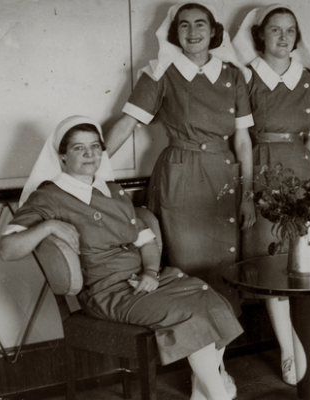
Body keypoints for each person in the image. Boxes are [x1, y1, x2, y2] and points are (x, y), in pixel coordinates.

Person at [0, 116, 243, 400]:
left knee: (213, 299)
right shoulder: (50, 196)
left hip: (143, 281)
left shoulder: (113, 191)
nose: (90, 154)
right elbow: (7, 249)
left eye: (95, 147)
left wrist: (151, 272)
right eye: (79, 148)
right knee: (190, 312)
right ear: (62, 156)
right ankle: (217, 395)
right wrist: (48, 226)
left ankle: (203, 391)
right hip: (107, 292)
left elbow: (146, 240)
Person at [104, 2, 256, 318]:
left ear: (214, 31)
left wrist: (249, 195)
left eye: (200, 24)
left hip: (224, 176)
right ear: (175, 34)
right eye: (184, 25)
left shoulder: (234, 75)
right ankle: (197, 357)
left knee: (225, 263)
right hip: (180, 174)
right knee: (187, 265)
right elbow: (128, 123)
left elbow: (242, 139)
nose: (192, 31)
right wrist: (95, 167)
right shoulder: (161, 72)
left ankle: (218, 359)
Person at [231, 3, 310, 386]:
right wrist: (252, 183)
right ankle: (288, 353)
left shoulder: (308, 78)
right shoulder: (246, 77)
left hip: (301, 173)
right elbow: (237, 134)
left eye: (290, 30)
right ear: (261, 35)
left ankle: (306, 349)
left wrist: (304, 164)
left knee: (303, 261)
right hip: (262, 168)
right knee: (271, 261)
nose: (284, 37)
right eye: (276, 30)